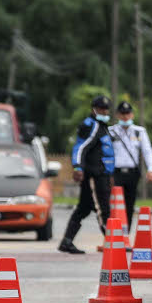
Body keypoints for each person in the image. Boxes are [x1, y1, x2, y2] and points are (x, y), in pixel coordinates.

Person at [58, 95, 115, 254]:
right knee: (103, 209)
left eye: (106, 109)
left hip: (102, 174)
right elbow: (80, 147)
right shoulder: (92, 125)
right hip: (94, 176)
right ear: (94, 109)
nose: (104, 111)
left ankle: (67, 241)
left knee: (83, 208)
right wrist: (77, 167)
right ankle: (113, 242)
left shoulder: (103, 126)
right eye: (101, 109)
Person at [109, 101, 152, 232]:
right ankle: (113, 232)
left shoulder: (139, 132)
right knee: (115, 204)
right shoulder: (111, 132)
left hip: (132, 172)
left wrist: (151, 169)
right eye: (123, 114)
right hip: (116, 173)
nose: (125, 117)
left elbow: (147, 151)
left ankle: (125, 233)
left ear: (132, 115)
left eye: (128, 114)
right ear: (118, 115)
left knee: (129, 205)